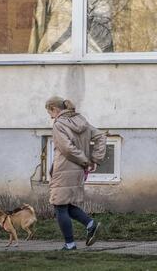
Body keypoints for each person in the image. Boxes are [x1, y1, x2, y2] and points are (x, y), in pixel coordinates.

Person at [46, 96, 106, 251]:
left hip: (64, 169)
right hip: (78, 170)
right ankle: (91, 224)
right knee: (65, 204)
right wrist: (94, 160)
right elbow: (100, 136)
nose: (50, 117)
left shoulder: (59, 124)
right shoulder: (81, 120)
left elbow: (66, 148)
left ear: (54, 108)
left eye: (49, 113)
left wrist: (87, 161)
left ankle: (70, 244)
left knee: (59, 206)